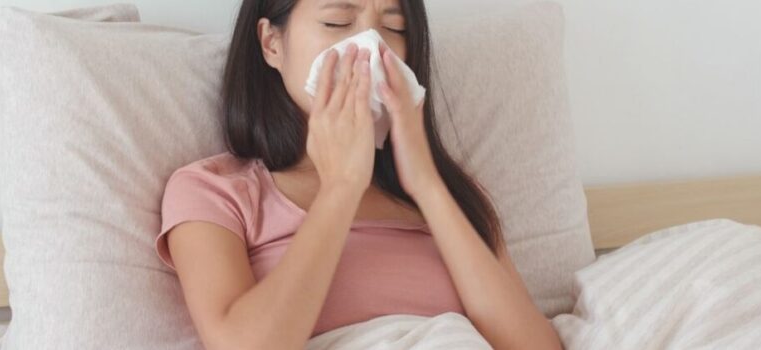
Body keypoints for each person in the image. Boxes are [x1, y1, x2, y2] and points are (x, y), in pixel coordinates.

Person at [155, 0, 562, 349]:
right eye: (337, 22)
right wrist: (341, 188)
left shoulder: (455, 197)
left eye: (392, 27)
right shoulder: (214, 191)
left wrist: (426, 184)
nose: (370, 49)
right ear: (271, 43)